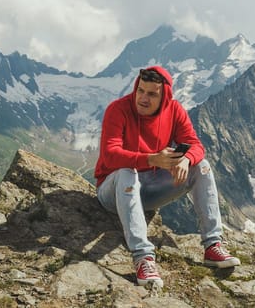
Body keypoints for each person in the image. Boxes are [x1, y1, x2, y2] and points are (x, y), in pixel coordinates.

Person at [95, 65, 240, 288]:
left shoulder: (174, 110)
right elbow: (110, 156)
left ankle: (212, 246)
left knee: (201, 166)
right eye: (140, 90)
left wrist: (186, 160)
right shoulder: (118, 109)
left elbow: (196, 145)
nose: (143, 98)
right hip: (113, 191)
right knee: (126, 171)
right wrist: (151, 159)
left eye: (152, 94)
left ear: (164, 97)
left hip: (149, 189)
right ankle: (143, 258)